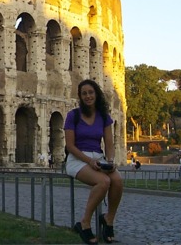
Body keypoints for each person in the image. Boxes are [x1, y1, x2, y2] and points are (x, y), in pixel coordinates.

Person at [64, 79, 123, 244]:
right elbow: (70, 145)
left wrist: (110, 161)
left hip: (98, 157)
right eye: (84, 94)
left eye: (91, 92)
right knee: (103, 181)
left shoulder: (104, 117)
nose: (88, 96)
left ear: (96, 94)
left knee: (117, 180)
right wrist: (89, 161)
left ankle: (108, 219)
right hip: (78, 158)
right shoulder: (73, 116)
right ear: (80, 97)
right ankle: (85, 222)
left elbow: (109, 144)